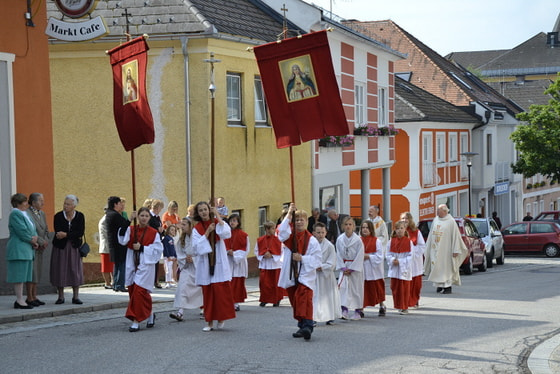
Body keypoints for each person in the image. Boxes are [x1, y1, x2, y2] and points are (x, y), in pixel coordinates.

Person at [277, 203, 321, 340]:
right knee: (295, 299)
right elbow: (281, 232)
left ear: (307, 222)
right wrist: (289, 213)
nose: (299, 222)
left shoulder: (312, 241)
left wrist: (302, 258)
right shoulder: (289, 236)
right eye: (297, 220)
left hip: (305, 275)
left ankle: (308, 325)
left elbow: (317, 259)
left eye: (302, 219)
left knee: (304, 299)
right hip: (291, 273)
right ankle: (302, 326)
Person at [191, 201, 235, 332]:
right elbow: (196, 247)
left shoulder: (216, 222)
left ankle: (221, 318)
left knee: (220, 292)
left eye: (205, 209)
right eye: (201, 210)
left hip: (219, 260)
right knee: (208, 293)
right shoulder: (197, 228)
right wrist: (207, 233)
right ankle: (209, 321)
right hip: (205, 261)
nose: (204, 212)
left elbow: (226, 233)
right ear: (198, 213)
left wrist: (217, 215)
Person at [118, 207, 161, 332]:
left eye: (146, 216)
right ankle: (150, 313)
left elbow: (158, 250)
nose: (144, 218)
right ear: (138, 217)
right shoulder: (131, 229)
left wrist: (142, 248)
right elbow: (121, 238)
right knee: (133, 290)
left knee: (139, 291)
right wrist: (129, 220)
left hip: (145, 263)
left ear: (149, 218)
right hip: (132, 260)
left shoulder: (153, 233)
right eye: (141, 215)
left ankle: (135, 320)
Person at [423, 204, 469, 294]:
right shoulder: (436, 219)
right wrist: (428, 245)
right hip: (435, 248)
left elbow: (456, 236)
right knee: (436, 267)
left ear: (444, 211)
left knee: (445, 268)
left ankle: (447, 286)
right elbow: (431, 233)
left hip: (446, 250)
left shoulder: (451, 222)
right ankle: (439, 285)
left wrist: (456, 250)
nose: (437, 212)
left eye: (439, 210)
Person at [51, 195, 85, 305]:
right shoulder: (58, 216)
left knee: (75, 270)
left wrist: (66, 234)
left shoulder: (80, 216)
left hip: (74, 247)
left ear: (74, 205)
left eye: (68, 204)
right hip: (61, 247)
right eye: (64, 203)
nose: (65, 206)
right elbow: (58, 231)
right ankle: (60, 296)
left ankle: (76, 296)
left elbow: (80, 232)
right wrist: (69, 235)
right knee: (60, 269)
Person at [6, 193, 38, 309]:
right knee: (19, 276)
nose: (26, 204)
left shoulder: (24, 214)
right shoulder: (15, 213)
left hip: (26, 249)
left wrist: (35, 239)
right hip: (18, 248)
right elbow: (22, 230)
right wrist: (31, 240)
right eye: (24, 202)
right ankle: (19, 300)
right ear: (18, 204)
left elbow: (32, 229)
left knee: (24, 275)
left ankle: (21, 299)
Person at [169, 218, 203, 321]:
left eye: (184, 224)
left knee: (201, 290)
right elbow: (179, 253)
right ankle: (180, 312)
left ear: (190, 225)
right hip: (187, 267)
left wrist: (194, 259)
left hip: (198, 267)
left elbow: (203, 251)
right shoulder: (181, 239)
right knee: (182, 287)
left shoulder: (197, 237)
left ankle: (205, 308)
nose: (181, 226)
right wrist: (185, 258)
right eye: (181, 224)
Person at [336, 216, 365, 320]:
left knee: (356, 289)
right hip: (344, 266)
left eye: (350, 224)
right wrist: (343, 268)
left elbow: (360, 255)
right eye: (346, 224)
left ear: (353, 226)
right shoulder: (340, 239)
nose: (348, 226)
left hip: (354, 268)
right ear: (343, 226)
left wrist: (352, 268)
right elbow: (338, 254)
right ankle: (344, 309)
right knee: (343, 288)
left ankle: (357, 311)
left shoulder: (358, 240)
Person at [312, 222, 341, 325]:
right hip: (314, 274)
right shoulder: (310, 245)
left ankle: (330, 316)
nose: (320, 235)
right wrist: (314, 266)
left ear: (326, 233)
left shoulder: (329, 246)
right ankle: (313, 317)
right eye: (318, 232)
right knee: (315, 296)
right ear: (314, 233)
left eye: (322, 232)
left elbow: (332, 262)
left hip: (326, 275)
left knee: (327, 296)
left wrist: (322, 267)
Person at [26, 192, 49, 306]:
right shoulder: (27, 214)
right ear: (33, 202)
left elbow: (45, 229)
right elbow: (31, 230)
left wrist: (46, 240)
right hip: (32, 246)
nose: (43, 202)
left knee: (38, 272)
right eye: (40, 200)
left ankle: (35, 296)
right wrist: (40, 241)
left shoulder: (42, 213)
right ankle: (29, 297)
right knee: (32, 272)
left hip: (41, 248)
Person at [104, 196, 131, 292]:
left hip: (114, 243)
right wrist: (130, 219)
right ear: (115, 204)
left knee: (117, 265)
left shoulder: (109, 214)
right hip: (118, 244)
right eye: (120, 203)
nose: (121, 205)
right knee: (121, 264)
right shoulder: (114, 215)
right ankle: (119, 285)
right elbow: (124, 225)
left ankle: (116, 284)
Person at [360, 220, 386, 317]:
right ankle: (361, 308)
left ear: (371, 229)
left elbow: (380, 256)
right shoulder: (359, 240)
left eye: (367, 227)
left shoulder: (377, 241)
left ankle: (381, 305)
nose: (365, 229)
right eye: (363, 227)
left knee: (377, 288)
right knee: (363, 289)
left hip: (374, 269)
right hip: (363, 268)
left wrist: (369, 256)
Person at [386, 221, 413, 315]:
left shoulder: (409, 242)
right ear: (395, 230)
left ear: (405, 229)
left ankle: (404, 307)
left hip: (404, 268)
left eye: (401, 228)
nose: (399, 230)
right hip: (395, 267)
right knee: (395, 287)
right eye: (397, 228)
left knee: (404, 288)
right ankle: (398, 305)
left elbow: (411, 256)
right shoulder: (391, 242)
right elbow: (388, 254)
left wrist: (400, 261)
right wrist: (393, 259)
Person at [254, 221, 283, 307]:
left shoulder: (279, 240)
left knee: (275, 283)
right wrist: (263, 255)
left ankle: (276, 299)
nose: (273, 230)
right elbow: (256, 251)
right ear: (266, 229)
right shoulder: (260, 240)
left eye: (274, 228)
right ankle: (265, 299)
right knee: (264, 283)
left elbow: (282, 252)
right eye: (271, 228)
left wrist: (272, 256)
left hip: (275, 264)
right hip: (265, 264)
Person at [400, 212, 426, 309]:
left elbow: (422, 246)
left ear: (410, 220)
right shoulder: (398, 231)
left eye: (406, 218)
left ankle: (415, 300)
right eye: (402, 218)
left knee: (415, 283)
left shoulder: (416, 232)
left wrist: (412, 251)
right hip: (403, 260)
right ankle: (405, 301)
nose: (404, 220)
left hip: (415, 261)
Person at [224, 213, 249, 311]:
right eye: (231, 220)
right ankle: (228, 302)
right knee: (228, 283)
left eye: (234, 220)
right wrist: (227, 252)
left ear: (238, 222)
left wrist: (234, 254)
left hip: (239, 262)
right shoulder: (225, 234)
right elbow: (222, 246)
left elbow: (246, 249)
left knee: (237, 283)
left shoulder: (244, 235)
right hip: (228, 261)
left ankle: (236, 303)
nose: (232, 222)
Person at [149, 199, 164, 288]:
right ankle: (152, 280)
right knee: (151, 261)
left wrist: (162, 231)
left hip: (157, 240)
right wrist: (157, 229)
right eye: (160, 208)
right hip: (150, 241)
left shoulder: (157, 217)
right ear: (157, 208)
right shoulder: (150, 216)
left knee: (156, 261)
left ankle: (155, 280)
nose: (160, 210)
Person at [98, 209, 113, 289]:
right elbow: (108, 233)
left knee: (111, 266)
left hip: (109, 246)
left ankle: (112, 282)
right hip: (106, 246)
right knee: (106, 266)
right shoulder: (105, 220)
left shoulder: (106, 219)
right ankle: (107, 283)